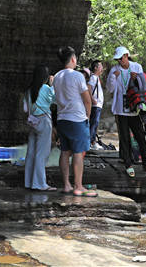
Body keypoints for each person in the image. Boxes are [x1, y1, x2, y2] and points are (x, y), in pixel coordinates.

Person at [105, 46, 146, 178]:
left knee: (140, 136)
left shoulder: (136, 67)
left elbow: (143, 86)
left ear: (126, 56)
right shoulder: (114, 70)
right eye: (117, 59)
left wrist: (136, 78)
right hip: (120, 109)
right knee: (124, 138)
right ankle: (128, 164)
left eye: (121, 58)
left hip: (134, 107)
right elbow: (110, 89)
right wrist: (113, 78)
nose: (119, 61)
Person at [52, 46, 97, 197]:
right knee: (78, 153)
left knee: (65, 152)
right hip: (77, 119)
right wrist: (88, 117)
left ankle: (66, 185)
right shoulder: (77, 76)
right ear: (72, 59)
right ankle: (78, 186)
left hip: (62, 119)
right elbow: (88, 100)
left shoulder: (57, 76)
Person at [24, 65, 56, 191]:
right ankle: (39, 184)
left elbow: (25, 109)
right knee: (41, 153)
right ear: (46, 77)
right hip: (43, 121)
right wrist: (53, 85)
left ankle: (29, 182)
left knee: (31, 152)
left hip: (32, 122)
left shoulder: (28, 90)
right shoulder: (46, 88)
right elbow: (55, 100)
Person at [88, 60, 104, 150]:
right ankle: (90, 142)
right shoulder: (93, 77)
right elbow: (89, 88)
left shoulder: (97, 78)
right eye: (100, 66)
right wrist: (92, 99)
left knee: (95, 123)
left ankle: (92, 141)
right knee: (94, 123)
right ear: (96, 68)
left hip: (98, 105)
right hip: (95, 105)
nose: (102, 68)